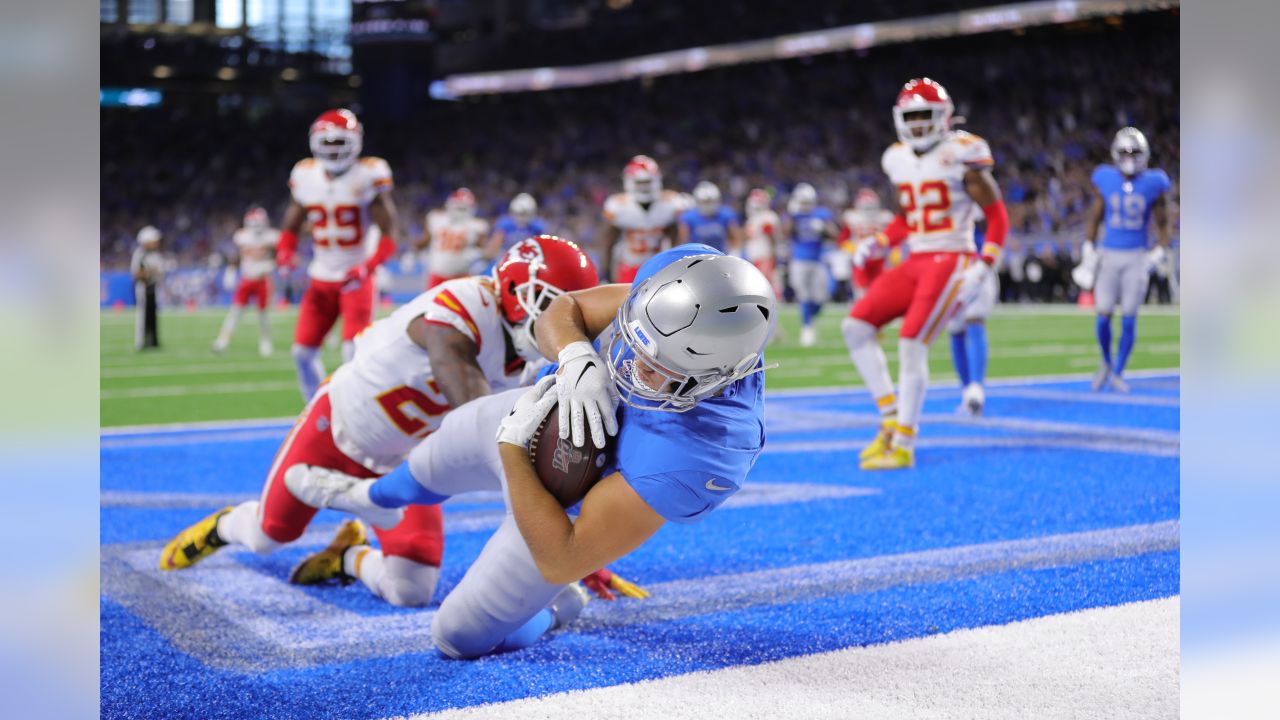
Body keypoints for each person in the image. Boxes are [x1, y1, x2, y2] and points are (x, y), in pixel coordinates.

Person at [287, 246, 776, 658]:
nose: (628, 366)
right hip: (546, 408)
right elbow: (562, 311)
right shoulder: (683, 283)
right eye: (631, 341)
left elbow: (560, 557)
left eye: (654, 370)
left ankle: (557, 609)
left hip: (571, 491)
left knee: (456, 637)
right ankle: (372, 495)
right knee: (440, 448)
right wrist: (576, 357)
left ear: (714, 379)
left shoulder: (702, 452)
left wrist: (514, 450)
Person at [158, 236, 603, 610]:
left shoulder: (525, 362)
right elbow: (480, 422)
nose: (556, 325)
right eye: (549, 306)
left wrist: (581, 543)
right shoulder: (464, 306)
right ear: (511, 288)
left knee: (410, 590)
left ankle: (346, 557)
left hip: (404, 463)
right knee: (268, 536)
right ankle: (223, 526)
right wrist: (561, 540)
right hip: (338, 431)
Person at [844, 78, 1009, 470]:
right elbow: (909, 218)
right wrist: (882, 241)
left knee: (911, 342)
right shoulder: (897, 158)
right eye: (912, 117)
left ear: (944, 117)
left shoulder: (963, 153)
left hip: (952, 257)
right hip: (916, 259)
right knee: (856, 327)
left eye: (925, 116)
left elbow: (998, 217)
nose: (918, 125)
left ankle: (903, 442)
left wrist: (983, 266)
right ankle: (889, 420)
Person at [277, 109, 401, 401]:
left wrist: (368, 266)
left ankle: (355, 414)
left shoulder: (369, 173)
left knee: (353, 354)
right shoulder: (305, 174)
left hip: (355, 277)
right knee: (302, 354)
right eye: (327, 142)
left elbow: (391, 233)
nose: (333, 149)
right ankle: (318, 409)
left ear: (355, 141)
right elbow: (292, 223)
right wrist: (285, 249)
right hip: (320, 277)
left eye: (339, 142)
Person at [1074, 127, 1172, 393]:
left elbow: (1163, 222)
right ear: (1115, 153)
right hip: (1109, 254)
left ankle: (1118, 371)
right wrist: (1088, 248)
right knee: (1103, 316)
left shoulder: (1154, 182)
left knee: (1129, 317)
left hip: (1137, 256)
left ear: (1145, 154)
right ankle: (1106, 362)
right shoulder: (1105, 178)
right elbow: (1095, 216)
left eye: (1134, 152)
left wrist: (1161, 250)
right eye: (1125, 151)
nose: (1129, 156)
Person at [947, 220, 1000, 416]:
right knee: (955, 329)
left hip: (977, 263)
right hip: (950, 265)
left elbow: (994, 220)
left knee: (973, 321)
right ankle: (968, 391)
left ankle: (975, 388)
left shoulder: (975, 193)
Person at [601, 155, 680, 283]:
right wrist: (606, 270)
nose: (644, 187)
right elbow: (609, 241)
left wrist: (677, 264)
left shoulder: (670, 203)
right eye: (640, 183)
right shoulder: (619, 205)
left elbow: (676, 240)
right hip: (631, 265)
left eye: (647, 182)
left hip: (660, 266)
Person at [212, 207, 279, 357]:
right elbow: (237, 255)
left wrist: (273, 264)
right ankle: (223, 340)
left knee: (262, 315)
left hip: (262, 279)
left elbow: (278, 253)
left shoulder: (271, 237)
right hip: (247, 278)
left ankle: (265, 342)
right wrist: (230, 270)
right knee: (236, 312)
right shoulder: (243, 236)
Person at [783, 182, 839, 347]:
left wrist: (823, 229)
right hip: (799, 260)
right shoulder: (793, 214)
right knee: (805, 296)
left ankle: (811, 319)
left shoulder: (821, 214)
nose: (806, 205)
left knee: (823, 297)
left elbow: (834, 234)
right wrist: (792, 216)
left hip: (818, 260)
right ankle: (807, 327)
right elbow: (785, 233)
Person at [418, 188, 490, 289]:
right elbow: (425, 241)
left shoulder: (436, 218)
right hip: (441, 274)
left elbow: (483, 251)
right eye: (458, 207)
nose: (459, 211)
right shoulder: (477, 225)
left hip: (460, 274)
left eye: (462, 208)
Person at [842, 188, 894, 302]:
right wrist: (851, 249)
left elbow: (891, 237)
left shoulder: (885, 217)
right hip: (861, 260)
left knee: (880, 292)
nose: (869, 210)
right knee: (861, 293)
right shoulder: (852, 217)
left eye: (871, 207)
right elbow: (843, 239)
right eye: (866, 207)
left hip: (879, 259)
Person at [677, 181, 742, 254]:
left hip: (721, 255)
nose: (708, 205)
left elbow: (735, 237)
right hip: (696, 257)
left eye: (710, 201)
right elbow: (684, 241)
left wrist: (734, 252)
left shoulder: (726, 214)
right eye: (705, 202)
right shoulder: (688, 217)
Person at [131, 225, 166, 351]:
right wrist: (150, 272)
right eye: (154, 240)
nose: (156, 242)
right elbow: (136, 273)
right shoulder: (140, 254)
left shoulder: (155, 254)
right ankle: (141, 342)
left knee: (153, 315)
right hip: (143, 287)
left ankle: (153, 341)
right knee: (143, 315)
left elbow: (161, 270)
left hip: (153, 287)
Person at [742, 188, 782, 297]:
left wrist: (773, 254)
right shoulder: (753, 218)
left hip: (764, 254)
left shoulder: (767, 217)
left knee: (766, 281)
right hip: (753, 254)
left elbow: (771, 237)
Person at [485, 193, 547, 260]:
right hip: (506, 258)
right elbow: (493, 248)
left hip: (530, 259)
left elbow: (544, 249)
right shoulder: (505, 224)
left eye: (525, 214)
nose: (522, 218)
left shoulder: (538, 226)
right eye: (519, 214)